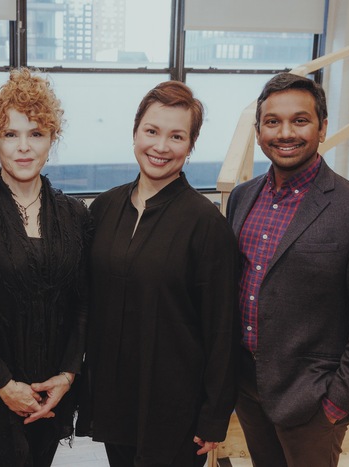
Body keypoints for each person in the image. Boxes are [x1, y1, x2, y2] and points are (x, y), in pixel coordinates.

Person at [226, 72, 349, 466]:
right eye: (272, 122)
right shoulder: (241, 197)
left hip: (313, 403)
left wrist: (337, 405)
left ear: (322, 128)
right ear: (258, 132)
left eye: (300, 120)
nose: (285, 132)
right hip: (248, 389)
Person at [76, 81, 239, 466]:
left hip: (175, 409)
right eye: (152, 131)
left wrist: (215, 415)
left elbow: (222, 329)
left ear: (191, 144)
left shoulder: (206, 224)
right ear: (135, 132)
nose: (161, 147)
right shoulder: (104, 208)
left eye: (176, 136)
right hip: (114, 399)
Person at [0, 68, 90, 467]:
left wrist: (66, 376)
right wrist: (6, 386)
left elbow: (83, 304)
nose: (24, 147)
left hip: (54, 388)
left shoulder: (75, 215)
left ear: (51, 140)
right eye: (11, 134)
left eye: (36, 134)